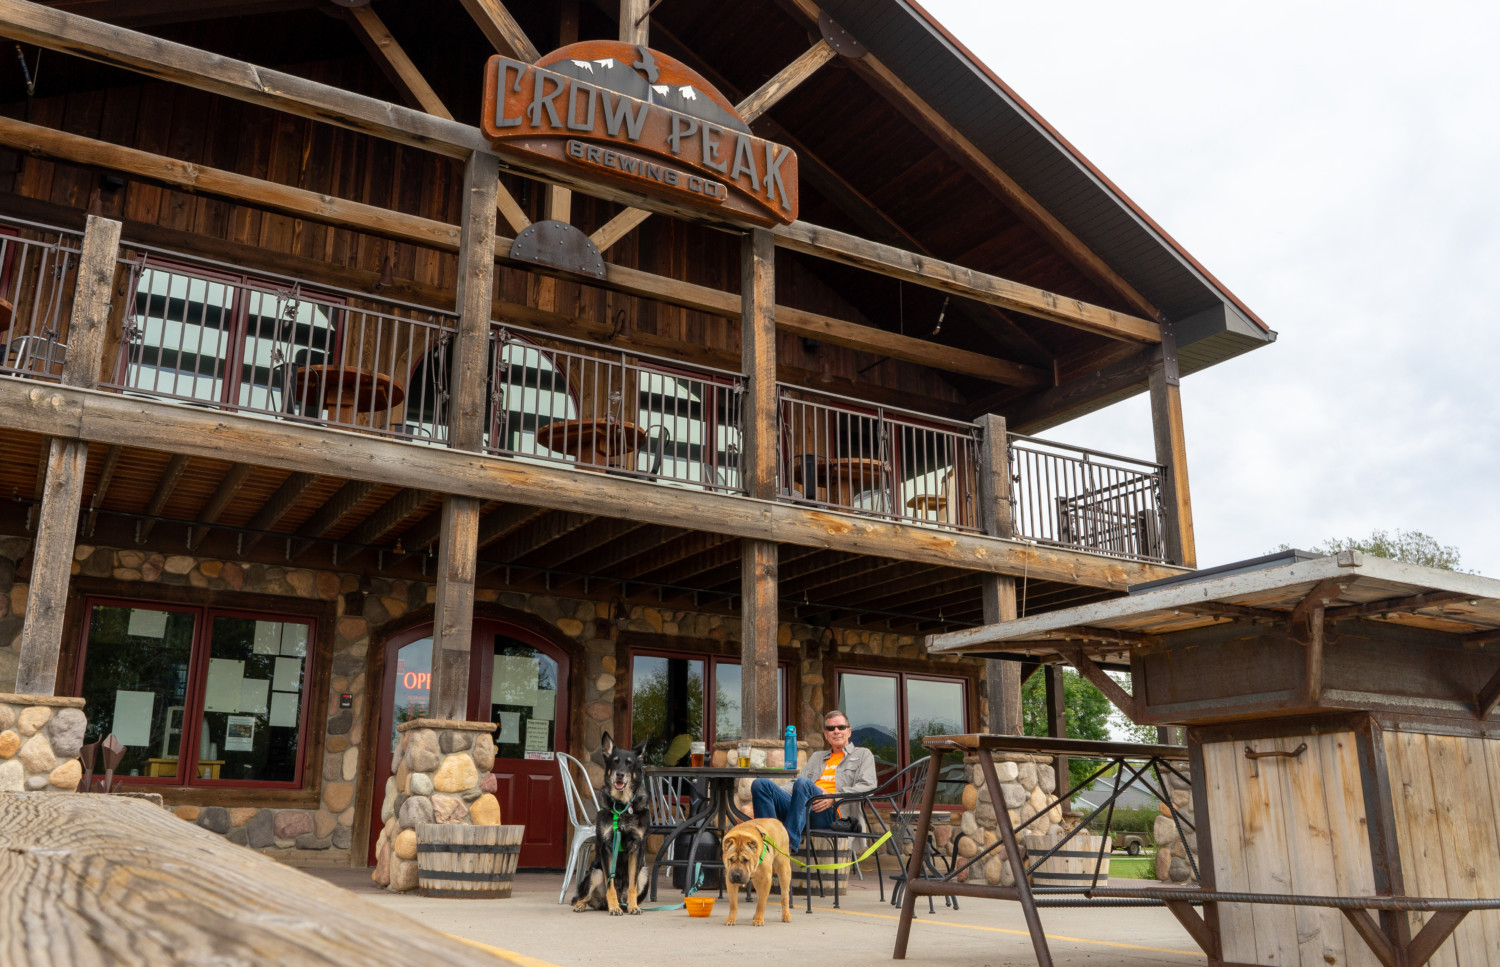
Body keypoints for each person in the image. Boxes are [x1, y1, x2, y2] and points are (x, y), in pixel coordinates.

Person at [750, 709, 876, 853]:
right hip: (802, 809)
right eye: (831, 728)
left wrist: (834, 796)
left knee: (804, 783)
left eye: (841, 727)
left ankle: (787, 847)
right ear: (826, 734)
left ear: (849, 732)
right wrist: (775, 793)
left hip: (833, 815)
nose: (836, 731)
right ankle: (769, 845)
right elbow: (794, 785)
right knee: (760, 784)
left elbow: (868, 787)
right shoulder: (817, 756)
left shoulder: (863, 754)